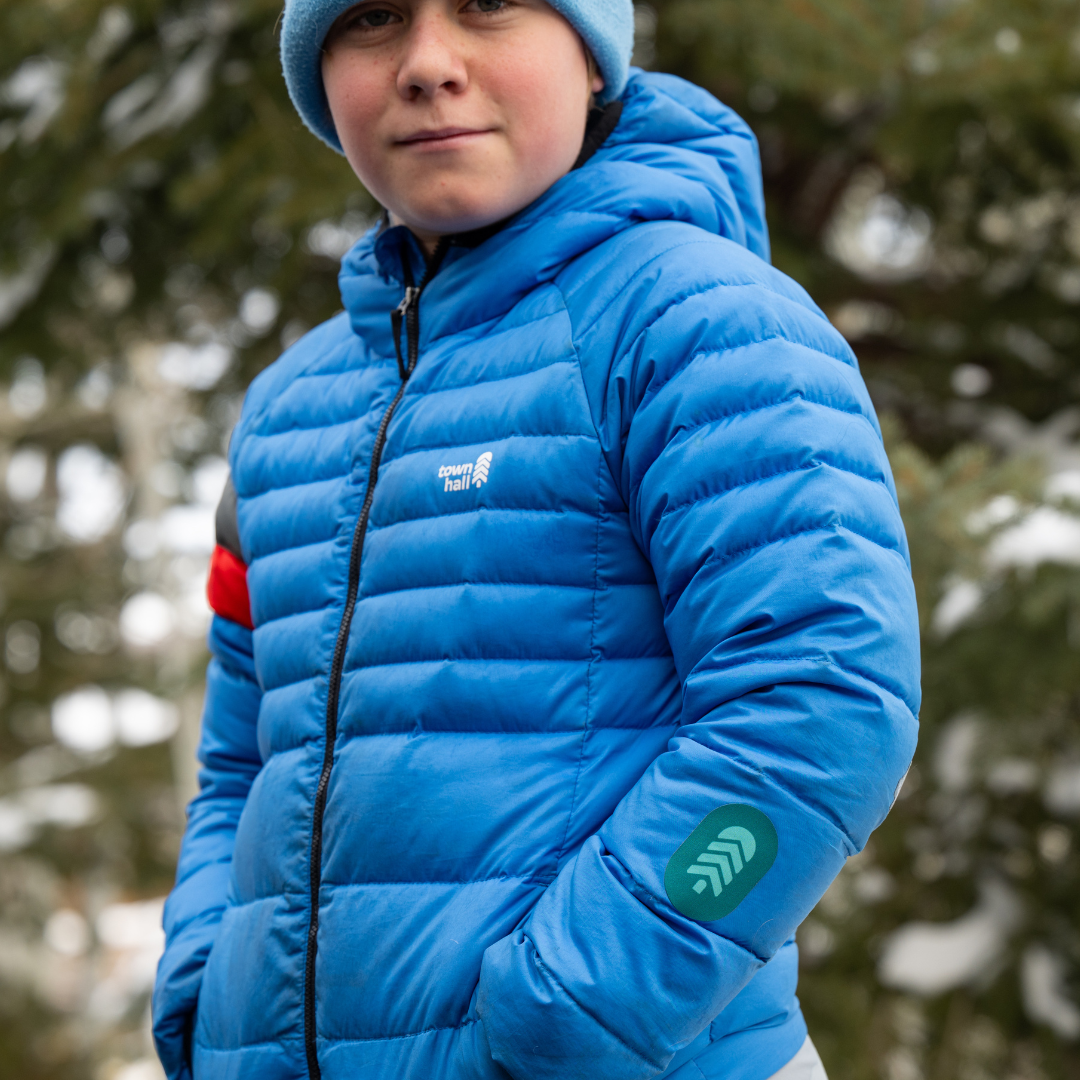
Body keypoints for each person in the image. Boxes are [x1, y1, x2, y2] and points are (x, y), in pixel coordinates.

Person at [152, 0, 921, 1078]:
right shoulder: (287, 413)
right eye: (371, 20)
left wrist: (568, 1015)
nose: (427, 64)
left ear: (594, 57)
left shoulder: (699, 323)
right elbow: (242, 761)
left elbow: (819, 703)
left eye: (488, 7)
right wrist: (197, 989)